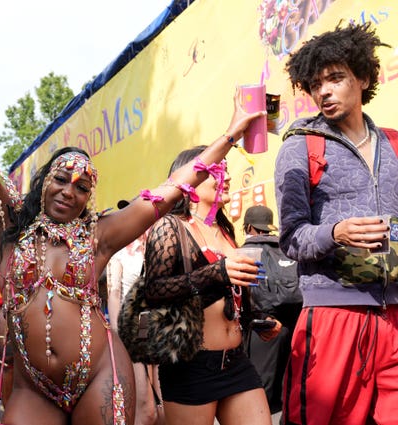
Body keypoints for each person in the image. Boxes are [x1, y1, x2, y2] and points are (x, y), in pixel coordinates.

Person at [0, 8, 264, 423]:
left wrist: (229, 135)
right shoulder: (10, 224)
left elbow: (169, 190)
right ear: (44, 180)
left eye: (82, 187)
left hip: (101, 376)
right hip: (33, 386)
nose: (70, 190)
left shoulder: (97, 235)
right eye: (62, 179)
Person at [274, 23, 398, 425]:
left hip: (395, 316)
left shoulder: (395, 144)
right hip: (333, 317)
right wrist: (335, 233)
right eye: (315, 84)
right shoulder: (300, 145)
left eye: (335, 78)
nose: (323, 91)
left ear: (363, 78)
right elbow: (291, 237)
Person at [143, 146, 273, 425]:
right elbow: (154, 291)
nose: (225, 176)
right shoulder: (169, 226)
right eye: (217, 170)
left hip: (236, 361)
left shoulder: (224, 230)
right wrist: (215, 272)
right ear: (191, 179)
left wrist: (256, 319)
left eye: (225, 169)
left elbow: (228, 296)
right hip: (190, 366)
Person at [241, 205, 301, 413]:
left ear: (248, 227)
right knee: (286, 388)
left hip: (262, 327)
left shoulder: (243, 251)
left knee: (259, 390)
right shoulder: (286, 248)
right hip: (293, 324)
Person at [107, 226, 165, 425]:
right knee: (146, 410)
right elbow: (113, 293)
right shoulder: (119, 255)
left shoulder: (159, 252)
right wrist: (117, 331)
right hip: (133, 328)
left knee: (165, 408)